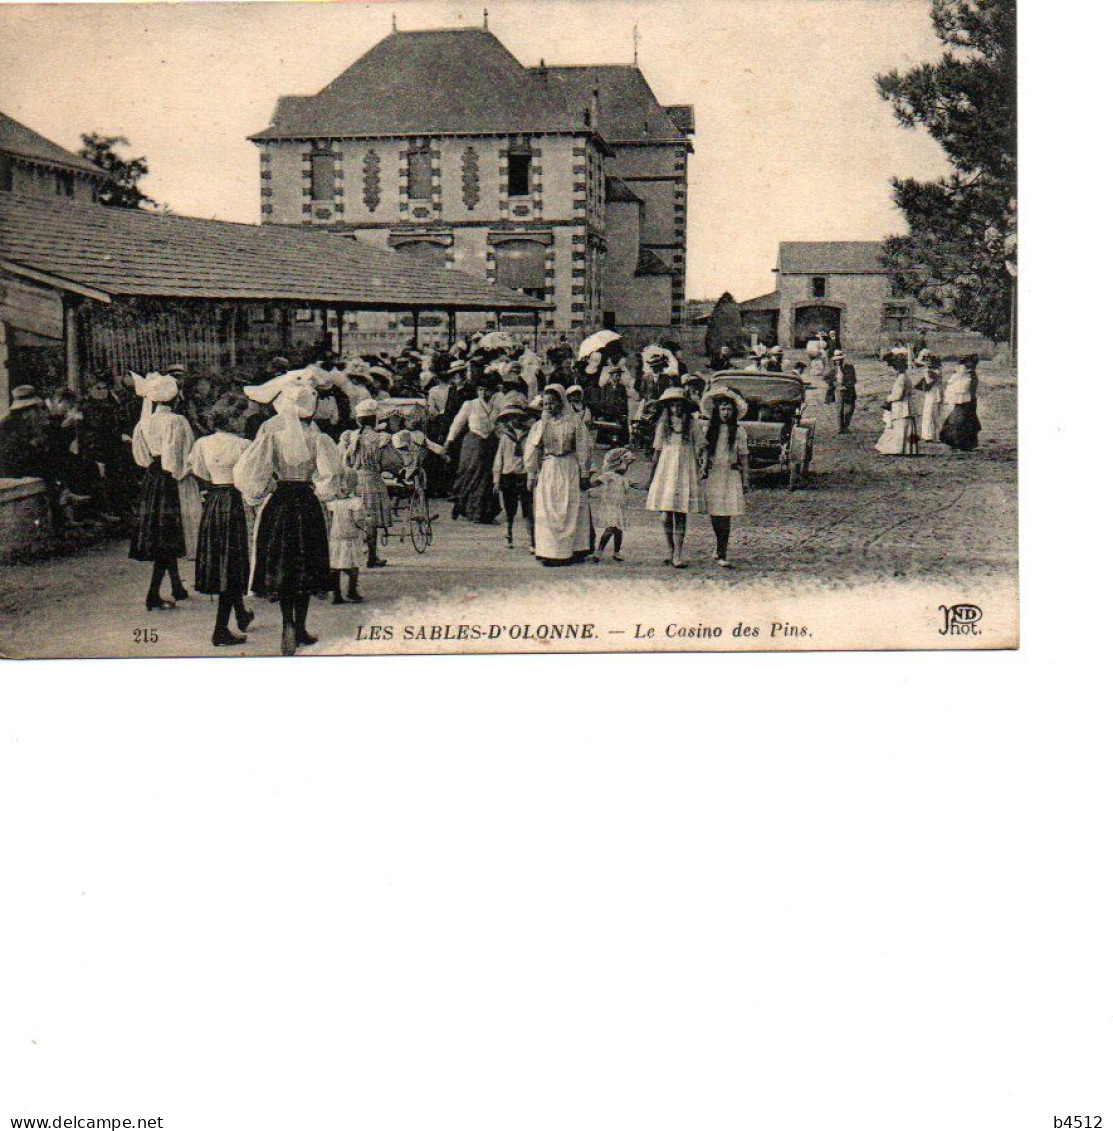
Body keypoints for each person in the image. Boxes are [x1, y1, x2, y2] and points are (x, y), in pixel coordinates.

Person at [234, 369, 340, 656]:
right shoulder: (317, 437)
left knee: (283, 564)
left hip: (279, 502)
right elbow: (329, 477)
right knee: (305, 563)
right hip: (306, 502)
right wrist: (324, 492)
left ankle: (287, 624)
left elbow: (254, 472)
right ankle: (301, 627)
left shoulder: (272, 433)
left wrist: (262, 491)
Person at [187, 393, 254, 647]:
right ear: (233, 419)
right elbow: (249, 477)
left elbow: (198, 470)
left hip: (214, 499)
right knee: (232, 562)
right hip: (234, 500)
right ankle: (220, 630)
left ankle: (241, 614)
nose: (244, 421)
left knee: (223, 559)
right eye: (242, 417)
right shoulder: (242, 445)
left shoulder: (203, 443)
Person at [128, 372, 195, 610]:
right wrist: (180, 474)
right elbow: (182, 456)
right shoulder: (176, 421)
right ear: (175, 399)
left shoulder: (144, 422)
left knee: (163, 535)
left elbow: (141, 457)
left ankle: (177, 586)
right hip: (168, 480)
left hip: (152, 477)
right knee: (166, 538)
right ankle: (153, 594)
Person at [524, 384, 591, 566]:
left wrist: (584, 473)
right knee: (548, 509)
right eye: (545, 404)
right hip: (550, 467)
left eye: (552, 403)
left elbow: (583, 448)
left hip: (569, 466)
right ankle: (549, 551)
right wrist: (531, 473)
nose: (549, 407)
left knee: (568, 507)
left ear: (561, 403)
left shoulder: (574, 423)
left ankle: (570, 550)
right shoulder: (540, 425)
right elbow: (533, 449)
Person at [646, 387, 704, 569]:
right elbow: (657, 451)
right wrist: (651, 477)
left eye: (680, 405)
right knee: (665, 514)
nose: (676, 409)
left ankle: (678, 553)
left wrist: (702, 462)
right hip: (666, 470)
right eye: (673, 405)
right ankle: (670, 550)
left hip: (685, 468)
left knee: (680, 513)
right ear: (668, 407)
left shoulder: (692, 424)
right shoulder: (664, 425)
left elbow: (701, 445)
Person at [338, 400, 391, 568]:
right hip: (372, 479)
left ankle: (353, 556)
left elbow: (340, 459)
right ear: (375, 419)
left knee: (353, 518)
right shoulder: (380, 439)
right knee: (371, 520)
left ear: (358, 420)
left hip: (352, 480)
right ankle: (372, 556)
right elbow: (392, 462)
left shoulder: (348, 437)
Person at [700, 387, 750, 568]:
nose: (726, 412)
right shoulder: (709, 430)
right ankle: (718, 544)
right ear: (717, 410)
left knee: (726, 515)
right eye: (722, 409)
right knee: (715, 514)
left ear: (733, 411)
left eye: (729, 409)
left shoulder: (739, 431)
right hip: (715, 474)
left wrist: (746, 479)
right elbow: (705, 452)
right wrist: (703, 467)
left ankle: (722, 551)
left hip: (730, 474)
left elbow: (743, 456)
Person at [446, 375, 500, 523]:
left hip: (490, 442)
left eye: (486, 390)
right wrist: (449, 441)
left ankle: (482, 512)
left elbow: (500, 424)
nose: (483, 393)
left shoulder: (497, 405)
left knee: (487, 477)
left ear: (492, 391)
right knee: (470, 474)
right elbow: (457, 424)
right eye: (480, 389)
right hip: (473, 442)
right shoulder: (470, 404)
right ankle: (462, 504)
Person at [492, 401, 534, 550]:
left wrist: (533, 473)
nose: (513, 420)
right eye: (510, 418)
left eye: (516, 417)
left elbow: (532, 455)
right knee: (510, 509)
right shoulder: (505, 437)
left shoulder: (529, 434)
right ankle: (508, 535)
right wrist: (496, 480)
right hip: (508, 475)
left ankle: (531, 540)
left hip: (524, 474)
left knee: (528, 509)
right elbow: (499, 458)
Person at [326, 467, 367, 604]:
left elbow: (328, 521)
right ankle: (351, 591)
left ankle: (336, 594)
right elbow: (359, 520)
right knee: (353, 565)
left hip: (334, 538)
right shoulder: (355, 503)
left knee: (334, 567)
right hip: (350, 537)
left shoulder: (330, 503)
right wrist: (364, 527)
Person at [589, 447, 634, 562]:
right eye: (626, 464)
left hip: (619, 507)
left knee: (618, 530)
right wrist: (589, 481)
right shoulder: (609, 475)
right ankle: (599, 551)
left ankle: (616, 552)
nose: (627, 467)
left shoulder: (623, 478)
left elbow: (634, 485)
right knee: (610, 529)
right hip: (610, 506)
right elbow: (596, 483)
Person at [875, 350, 917, 456]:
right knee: (902, 427)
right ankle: (906, 449)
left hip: (901, 406)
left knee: (899, 427)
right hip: (906, 405)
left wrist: (888, 398)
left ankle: (896, 449)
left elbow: (898, 395)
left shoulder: (901, 379)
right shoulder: (905, 377)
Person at [940, 355, 982, 452]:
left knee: (962, 421)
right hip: (966, 401)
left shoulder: (969, 376)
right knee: (962, 421)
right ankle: (959, 443)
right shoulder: (967, 375)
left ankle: (960, 443)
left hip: (967, 401)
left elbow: (966, 389)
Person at [916, 351, 945, 444]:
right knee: (931, 414)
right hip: (934, 393)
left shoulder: (934, 371)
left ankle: (931, 436)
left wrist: (925, 372)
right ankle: (930, 435)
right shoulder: (936, 371)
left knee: (931, 414)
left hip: (933, 394)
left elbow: (929, 382)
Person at [831, 350, 858, 434]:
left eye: (840, 359)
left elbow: (853, 379)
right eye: (836, 360)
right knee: (839, 410)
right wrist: (833, 383)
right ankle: (840, 428)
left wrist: (846, 386)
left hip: (848, 391)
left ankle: (845, 426)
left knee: (850, 409)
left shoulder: (849, 367)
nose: (838, 361)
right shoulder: (834, 369)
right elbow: (827, 378)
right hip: (838, 391)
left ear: (843, 359)